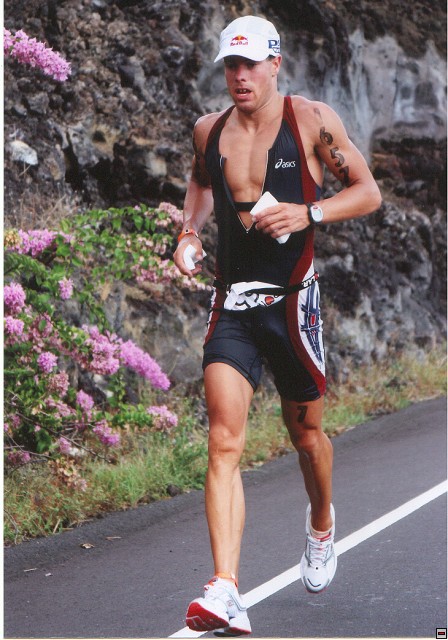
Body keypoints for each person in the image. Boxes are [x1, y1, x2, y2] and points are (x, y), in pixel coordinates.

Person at [173, 14, 381, 636]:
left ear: (274, 64)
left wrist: (308, 212)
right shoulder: (209, 130)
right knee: (223, 440)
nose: (239, 76)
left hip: (293, 305)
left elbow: (367, 192)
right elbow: (200, 184)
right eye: (230, 66)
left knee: (306, 433)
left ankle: (321, 524)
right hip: (233, 303)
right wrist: (188, 234)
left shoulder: (311, 120)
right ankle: (225, 588)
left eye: (249, 65)